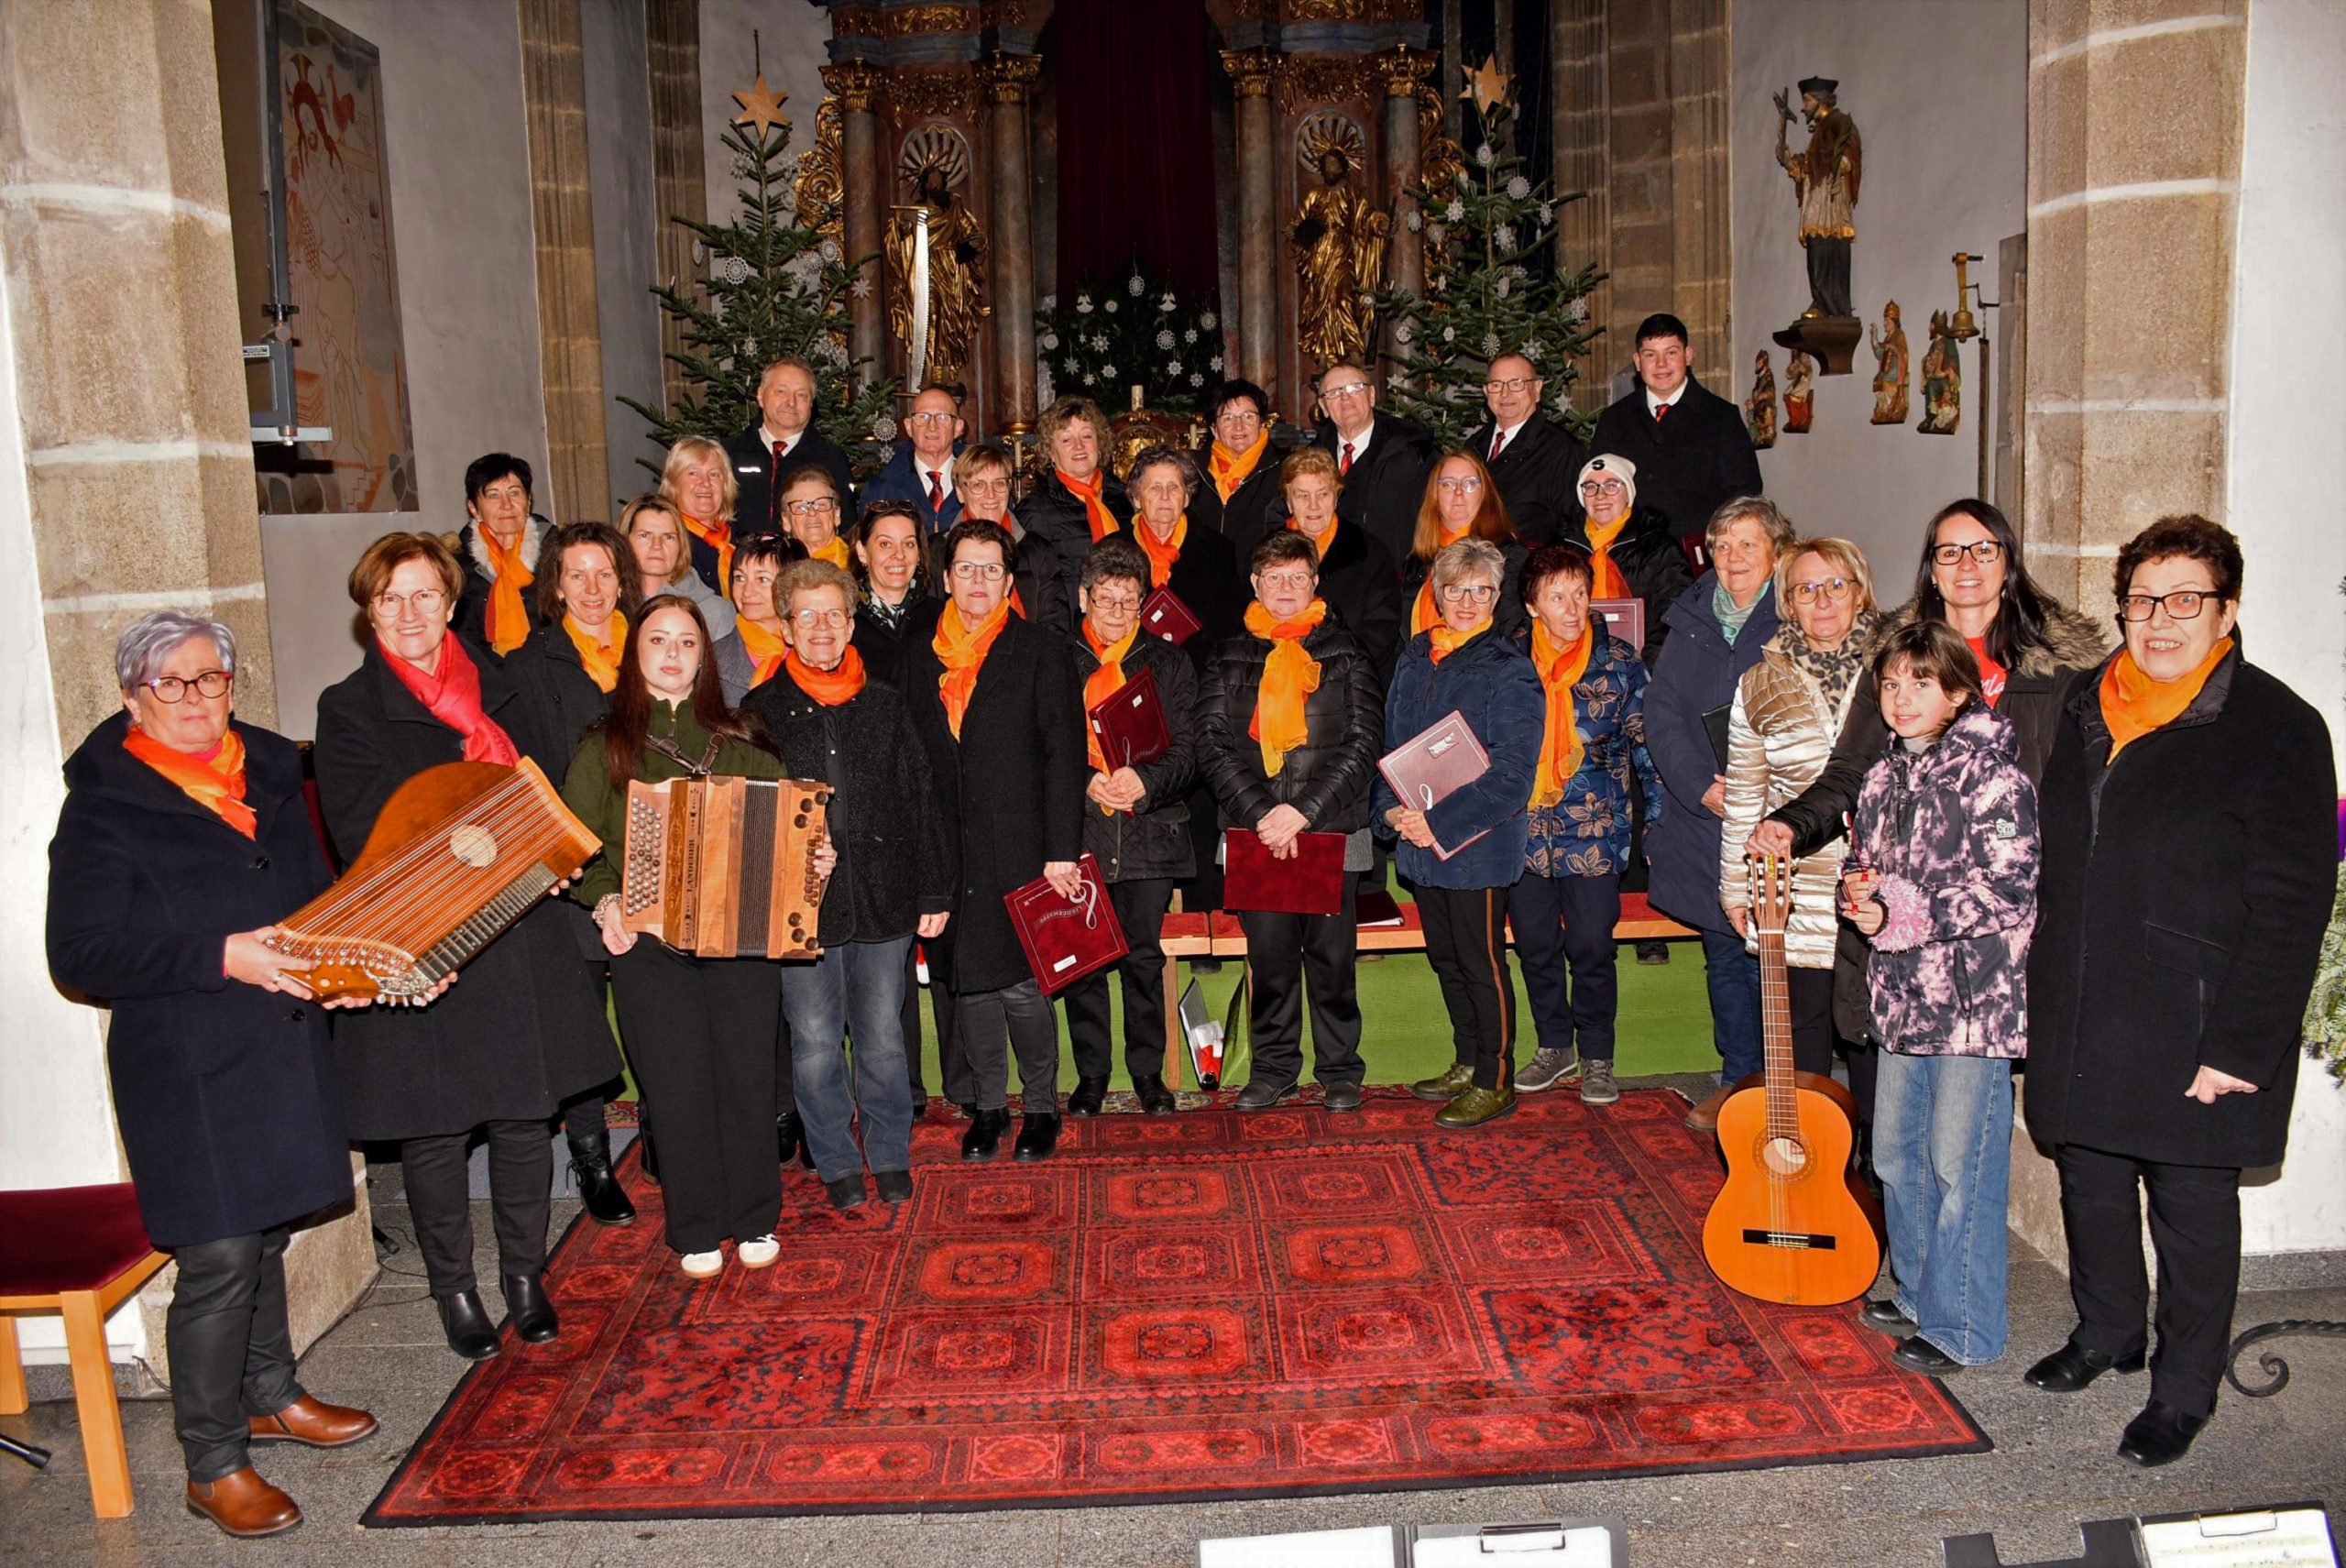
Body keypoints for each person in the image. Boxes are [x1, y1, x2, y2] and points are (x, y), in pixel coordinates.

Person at [47, 611, 380, 1539]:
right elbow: (78, 954)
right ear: (132, 697)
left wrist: (336, 970)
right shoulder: (105, 803)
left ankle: (272, 1392)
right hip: (187, 1060)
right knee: (220, 1253)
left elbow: (316, 896)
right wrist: (220, 955)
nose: (196, 699)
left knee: (267, 1232)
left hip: (278, 1041)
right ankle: (213, 1458)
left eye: (211, 679)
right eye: (172, 683)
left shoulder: (270, 769)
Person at [2023, 516, 2334, 1467]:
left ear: (2227, 610)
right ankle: (2107, 1330)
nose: (2159, 620)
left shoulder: (2278, 727)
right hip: (2083, 992)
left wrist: (2240, 1047)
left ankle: (2183, 1386)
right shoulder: (2087, 697)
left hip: (2195, 1010)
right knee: (2091, 1177)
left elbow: (2291, 904)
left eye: (2184, 599)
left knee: (2191, 1209)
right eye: (2142, 599)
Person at [313, 533, 617, 1361]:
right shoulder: (349, 708)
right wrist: (471, 858)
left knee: (526, 1116)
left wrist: (548, 852)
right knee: (436, 1128)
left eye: (423, 596)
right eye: (390, 599)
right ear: (369, 612)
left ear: (450, 604)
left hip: (518, 931)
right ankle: (455, 1287)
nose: (409, 614)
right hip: (428, 934)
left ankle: (525, 1276)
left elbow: (543, 782)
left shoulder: (501, 685)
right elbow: (362, 837)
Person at [564, 596, 822, 1276]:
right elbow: (568, 849)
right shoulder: (605, 745)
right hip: (652, 943)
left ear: (704, 656)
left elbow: (791, 826)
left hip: (741, 937)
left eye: (686, 641)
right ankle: (698, 1224)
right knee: (676, 1085)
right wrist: (604, 899)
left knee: (745, 1077)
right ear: (636, 652)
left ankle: (755, 1216)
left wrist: (812, 857)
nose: (673, 653)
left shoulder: (744, 735)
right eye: (658, 640)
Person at [1843, 620, 2038, 1376]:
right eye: (1890, 683)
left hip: (1970, 1004)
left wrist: (1906, 911)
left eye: (1920, 681)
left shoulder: (1993, 776)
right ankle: (1922, 1294)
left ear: (1959, 691)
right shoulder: (1885, 775)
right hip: (1900, 998)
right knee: (1894, 1154)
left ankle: (1967, 1327)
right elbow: (1871, 869)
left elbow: (2011, 888)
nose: (1901, 696)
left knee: (1961, 1167)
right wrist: (1858, 891)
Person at [745, 562, 951, 1210]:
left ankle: (888, 1153)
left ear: (853, 621)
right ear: (785, 627)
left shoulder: (885, 703)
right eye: (806, 614)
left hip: (887, 898)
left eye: (835, 612)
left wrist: (934, 891)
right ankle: (834, 1156)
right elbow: (749, 814)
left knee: (884, 1037)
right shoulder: (759, 712)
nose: (822, 627)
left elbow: (921, 795)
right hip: (801, 909)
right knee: (811, 1041)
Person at [1750, 500, 2107, 859]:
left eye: (1984, 550)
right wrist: (1792, 824)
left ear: (2008, 563)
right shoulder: (1894, 660)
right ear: (1932, 571)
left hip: (2026, 875)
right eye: (1950, 552)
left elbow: (2084, 790)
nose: (1967, 564)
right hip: (1923, 876)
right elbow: (1852, 772)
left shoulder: (2060, 668)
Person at [905, 519, 1088, 1162]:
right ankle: (988, 1107)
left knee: (1021, 985)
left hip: (1022, 843)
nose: (977, 580)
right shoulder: (920, 653)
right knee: (969, 986)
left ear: (1009, 581)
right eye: (965, 568)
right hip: (950, 848)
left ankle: (1040, 1106)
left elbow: (1066, 756)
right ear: (947, 577)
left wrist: (1061, 849)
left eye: (990, 569)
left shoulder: (1040, 649)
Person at [1196, 530, 1382, 1112]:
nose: (1285, 588)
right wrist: (1262, 814)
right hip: (1257, 835)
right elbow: (1210, 744)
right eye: (1274, 578)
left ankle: (1340, 1070)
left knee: (1332, 961)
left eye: (1297, 577)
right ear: (1255, 583)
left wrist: (1303, 811)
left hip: (1329, 830)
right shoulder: (1228, 654)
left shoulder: (1345, 652)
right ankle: (1274, 1069)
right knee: (1271, 961)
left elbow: (1363, 740)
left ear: (1315, 584)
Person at [497, 521, 644, 1228]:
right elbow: (522, 779)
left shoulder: (653, 649)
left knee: (654, 1012)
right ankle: (591, 1158)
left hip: (652, 858)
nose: (592, 589)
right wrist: (556, 861)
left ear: (624, 579)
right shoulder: (528, 666)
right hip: (573, 870)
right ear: (554, 585)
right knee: (582, 1020)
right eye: (576, 575)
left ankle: (667, 1136)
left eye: (604, 574)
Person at [1378, 540, 1545, 1129]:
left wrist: (1437, 822)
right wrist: (1391, 812)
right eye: (1456, 589)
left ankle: (1496, 1079)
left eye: (1481, 590)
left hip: (1477, 846)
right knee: (1446, 959)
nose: (1468, 601)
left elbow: (1512, 777)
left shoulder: (1510, 668)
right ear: (1437, 594)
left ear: (1498, 598)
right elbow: (1393, 747)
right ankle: (1467, 1060)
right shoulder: (1415, 655)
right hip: (1420, 844)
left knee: (1482, 963)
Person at [1643, 497, 1790, 1131]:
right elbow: (1661, 712)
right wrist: (1701, 784)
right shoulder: (1691, 616)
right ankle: (1737, 1082)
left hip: (1783, 815)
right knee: (1727, 953)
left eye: (1747, 545)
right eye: (1722, 544)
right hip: (1709, 815)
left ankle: (1790, 1089)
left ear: (1777, 553)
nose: (1732, 558)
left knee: (1779, 958)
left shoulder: (1799, 613)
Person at [1718, 538, 1880, 1088]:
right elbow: (1744, 794)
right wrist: (1737, 888)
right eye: (1806, 589)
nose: (1823, 600)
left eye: (1837, 585)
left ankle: (1876, 1171)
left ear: (1861, 595)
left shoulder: (1897, 671)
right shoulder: (1760, 682)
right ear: (1788, 602)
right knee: (1802, 1042)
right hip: (1795, 892)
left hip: (1881, 891)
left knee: (1872, 1045)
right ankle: (1812, 1162)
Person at [1507, 544, 1662, 1109]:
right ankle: (1555, 1047)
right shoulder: (1507, 661)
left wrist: (1659, 824)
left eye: (1580, 593)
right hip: (1522, 834)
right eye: (1557, 596)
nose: (1573, 608)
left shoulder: (1620, 662)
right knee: (1535, 945)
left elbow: (1648, 750)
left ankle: (1597, 1053)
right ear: (1531, 605)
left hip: (1597, 831)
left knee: (1592, 944)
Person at [1061, 535, 1198, 1117]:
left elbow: (1190, 748)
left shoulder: (1167, 661)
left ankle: (1148, 1075)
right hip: (1081, 831)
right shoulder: (1055, 659)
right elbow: (1035, 744)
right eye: (1106, 599)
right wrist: (1082, 779)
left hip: (1149, 832)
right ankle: (1092, 1076)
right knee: (1087, 960)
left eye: (1129, 601)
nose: (1117, 612)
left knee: (1143, 958)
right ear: (1084, 598)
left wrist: (1144, 782)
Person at [1590, 314, 1764, 560]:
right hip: (1628, 558)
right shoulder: (1614, 419)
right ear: (1638, 362)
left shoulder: (1721, 417)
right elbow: (1596, 488)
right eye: (1651, 355)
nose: (1661, 364)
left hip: (1697, 558)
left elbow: (1744, 496)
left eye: (1671, 353)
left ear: (1688, 355)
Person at [1275, 445, 1403, 676]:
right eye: (1302, 495)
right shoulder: (1267, 553)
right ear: (1288, 502)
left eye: (1322, 494)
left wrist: (1332, 672)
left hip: (1348, 680)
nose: (1313, 506)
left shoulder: (1370, 552)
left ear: (1336, 496)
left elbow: (1382, 629)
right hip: (1279, 674)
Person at [1120, 443, 1245, 666]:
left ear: (1187, 497)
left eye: (1174, 487)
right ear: (1137, 498)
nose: (1165, 497)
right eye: (1155, 488)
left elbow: (1230, 628)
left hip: (1200, 673)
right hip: (1128, 673)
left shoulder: (1218, 550)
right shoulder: (1113, 550)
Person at [1562, 455, 1694, 666]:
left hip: (1642, 668)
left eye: (1612, 485)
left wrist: (1646, 671)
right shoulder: (1563, 550)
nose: (1600, 495)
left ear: (1628, 495)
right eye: (1591, 487)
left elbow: (1675, 618)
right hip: (1572, 666)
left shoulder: (1661, 549)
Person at [1310, 360, 1436, 565]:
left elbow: (1433, 522)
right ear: (1323, 407)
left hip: (1393, 581)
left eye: (1354, 388)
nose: (1345, 398)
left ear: (1371, 396)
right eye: (1333, 392)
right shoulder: (1310, 461)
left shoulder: (1412, 452)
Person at [1399, 449, 1526, 644]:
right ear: (1435, 495)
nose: (1458, 492)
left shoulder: (1509, 555)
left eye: (1469, 484)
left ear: (1485, 493)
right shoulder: (1418, 560)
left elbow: (1510, 632)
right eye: (1448, 484)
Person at [1463, 353, 1587, 546]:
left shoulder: (1562, 450)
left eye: (1517, 383)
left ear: (1537, 389)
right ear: (1487, 392)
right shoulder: (1474, 446)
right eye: (1497, 385)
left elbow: (1577, 529)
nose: (1505, 394)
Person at [725, 356, 859, 535]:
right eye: (781, 392)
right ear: (760, 395)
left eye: (801, 395)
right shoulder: (730, 454)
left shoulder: (831, 459)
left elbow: (846, 529)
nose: (791, 402)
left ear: (811, 403)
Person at [1019, 395, 1130, 608]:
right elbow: (1031, 593)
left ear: (1100, 444)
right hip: (1069, 631)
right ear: (1051, 452)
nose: (1079, 446)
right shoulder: (1035, 510)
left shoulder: (1125, 499)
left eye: (1087, 436)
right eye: (1067, 439)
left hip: (1124, 620)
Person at [954, 442, 1072, 635]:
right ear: (960, 492)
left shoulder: (1038, 551)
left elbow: (1055, 624)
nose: (990, 495)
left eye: (999, 483)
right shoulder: (939, 550)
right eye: (978, 485)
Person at [452, 453, 548, 654]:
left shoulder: (556, 554)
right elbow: (462, 647)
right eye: (493, 495)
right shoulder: (458, 569)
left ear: (528, 501)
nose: (506, 505)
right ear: (474, 508)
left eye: (514, 493)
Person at [622, 491, 736, 639]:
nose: (657, 546)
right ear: (625, 541)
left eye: (668, 537)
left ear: (681, 545)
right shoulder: (606, 605)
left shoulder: (717, 611)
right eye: (645, 535)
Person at [861, 384, 966, 535]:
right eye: (923, 417)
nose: (932, 427)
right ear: (909, 427)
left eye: (942, 417)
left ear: (958, 427)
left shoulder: (981, 483)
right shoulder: (881, 489)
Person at [1205, 378, 1291, 547]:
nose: (1239, 426)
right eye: (1228, 418)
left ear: (1262, 423)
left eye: (1248, 416)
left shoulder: (1285, 470)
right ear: (1214, 429)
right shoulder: (1195, 471)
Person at [659, 435, 742, 598]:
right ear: (674, 484)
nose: (705, 483)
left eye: (714, 475)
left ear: (725, 486)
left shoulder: (740, 539)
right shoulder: (668, 540)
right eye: (693, 473)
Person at [722, 534, 793, 702]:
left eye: (762, 579)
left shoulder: (815, 650)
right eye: (740, 578)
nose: (747, 591)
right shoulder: (713, 659)